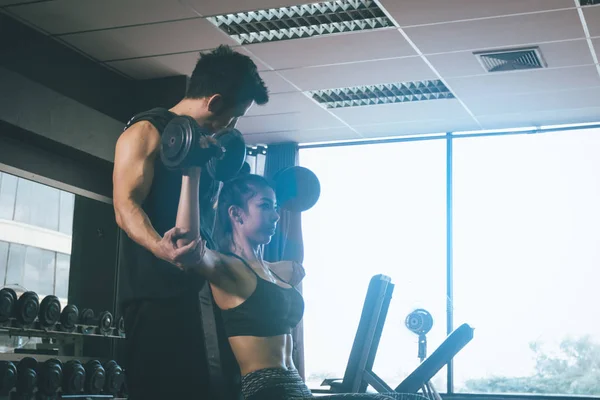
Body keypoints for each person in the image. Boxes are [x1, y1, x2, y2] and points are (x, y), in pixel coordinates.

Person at [174, 170, 426, 400]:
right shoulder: (225, 269)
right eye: (265, 206)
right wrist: (191, 173)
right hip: (267, 392)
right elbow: (186, 245)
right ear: (236, 214)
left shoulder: (277, 271)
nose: (275, 215)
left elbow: (297, 264)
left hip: (297, 389)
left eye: (276, 207)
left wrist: (295, 207)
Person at [112, 45, 269, 400]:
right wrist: (159, 246)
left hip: (201, 291)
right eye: (233, 117)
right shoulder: (145, 132)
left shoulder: (209, 148)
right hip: (155, 295)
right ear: (213, 103)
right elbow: (125, 207)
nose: (232, 127)